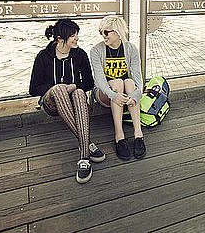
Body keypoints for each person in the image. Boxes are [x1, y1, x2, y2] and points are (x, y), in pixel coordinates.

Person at [29, 19, 105, 184]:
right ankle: (87, 142)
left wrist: (73, 86)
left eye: (77, 34)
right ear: (60, 38)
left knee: (78, 92)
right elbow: (34, 88)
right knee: (58, 89)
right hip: (52, 103)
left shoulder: (80, 55)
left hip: (75, 103)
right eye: (73, 35)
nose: (77, 38)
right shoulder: (44, 56)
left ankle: (84, 157)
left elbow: (88, 83)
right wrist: (60, 88)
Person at [90, 16, 146, 161]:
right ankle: (119, 135)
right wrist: (114, 95)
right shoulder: (96, 50)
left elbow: (138, 77)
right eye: (100, 31)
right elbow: (100, 81)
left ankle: (138, 133)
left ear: (117, 32)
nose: (102, 35)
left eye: (106, 32)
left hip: (125, 94)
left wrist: (135, 95)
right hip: (104, 93)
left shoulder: (130, 48)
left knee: (129, 82)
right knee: (118, 83)